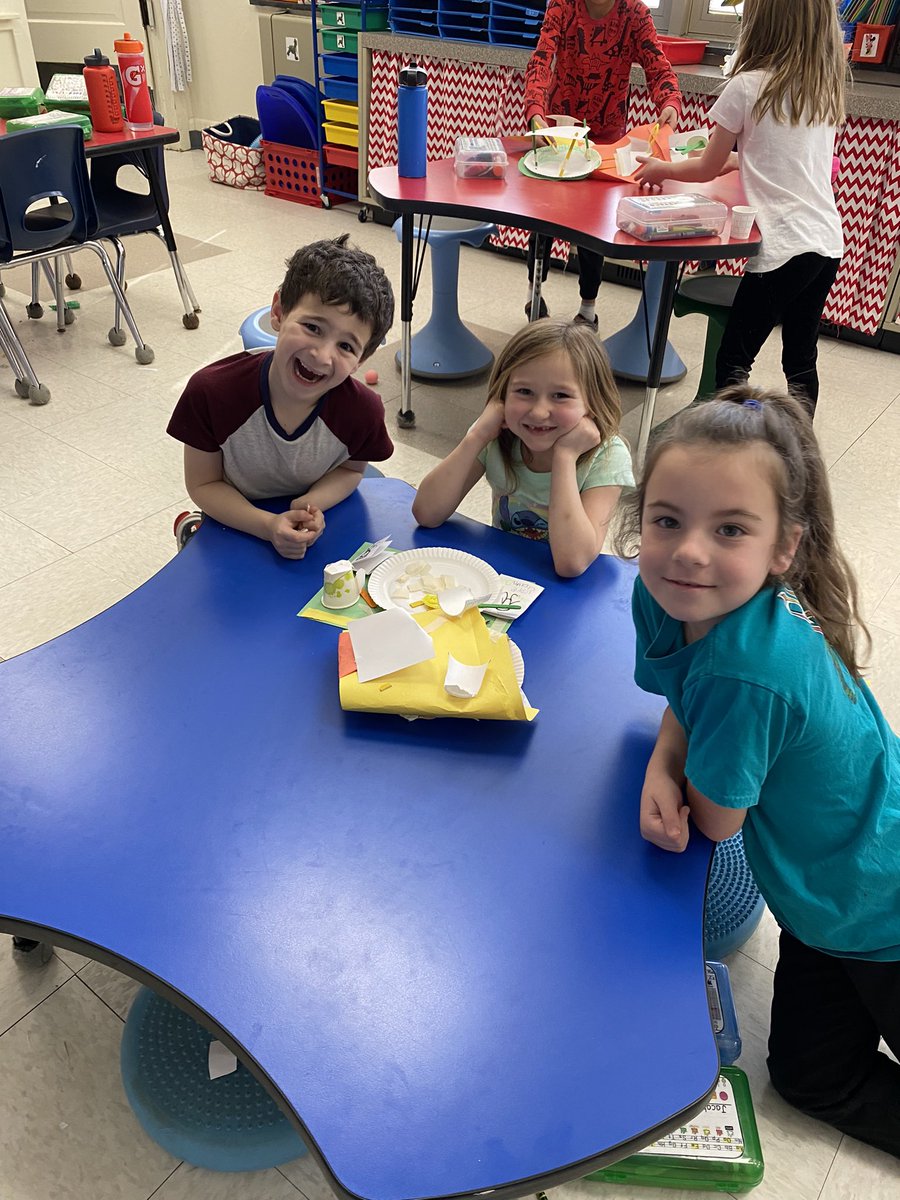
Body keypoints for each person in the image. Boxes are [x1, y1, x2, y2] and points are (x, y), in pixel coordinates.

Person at [615, 385, 900, 1158]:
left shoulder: (749, 668)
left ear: (784, 548)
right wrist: (665, 759)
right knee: (809, 1079)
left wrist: (670, 770)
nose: (689, 550)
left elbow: (715, 822)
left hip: (881, 912)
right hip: (831, 907)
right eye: (667, 520)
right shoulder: (676, 598)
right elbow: (682, 698)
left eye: (729, 529)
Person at [634, 0, 845, 416]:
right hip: (825, 244)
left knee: (733, 362)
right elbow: (783, 157)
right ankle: (796, 446)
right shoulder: (821, 88)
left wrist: (662, 166)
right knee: (801, 358)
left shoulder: (747, 86)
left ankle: (738, 445)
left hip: (781, 248)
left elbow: (705, 166)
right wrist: (740, 159)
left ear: (759, 23)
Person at [167, 234, 395, 558]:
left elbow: (351, 471)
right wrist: (267, 526)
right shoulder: (211, 393)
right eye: (313, 327)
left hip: (311, 524)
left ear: (362, 361)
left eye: (346, 346)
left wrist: (310, 503)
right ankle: (193, 531)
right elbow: (203, 485)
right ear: (278, 311)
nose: (322, 355)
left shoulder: (363, 411)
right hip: (234, 518)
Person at [413, 320, 634, 577]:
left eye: (561, 395)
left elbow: (571, 563)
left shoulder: (608, 457)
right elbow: (426, 513)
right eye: (524, 391)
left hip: (565, 596)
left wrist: (565, 456)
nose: (539, 412)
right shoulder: (495, 435)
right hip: (504, 576)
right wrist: (476, 436)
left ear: (593, 402)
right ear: (503, 394)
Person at [523, 0, 681, 329]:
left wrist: (670, 101)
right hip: (558, 134)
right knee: (542, 220)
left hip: (606, 140)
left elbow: (657, 65)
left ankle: (588, 309)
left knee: (592, 228)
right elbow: (541, 60)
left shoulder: (634, 12)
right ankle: (534, 294)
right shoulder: (563, 6)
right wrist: (536, 111)